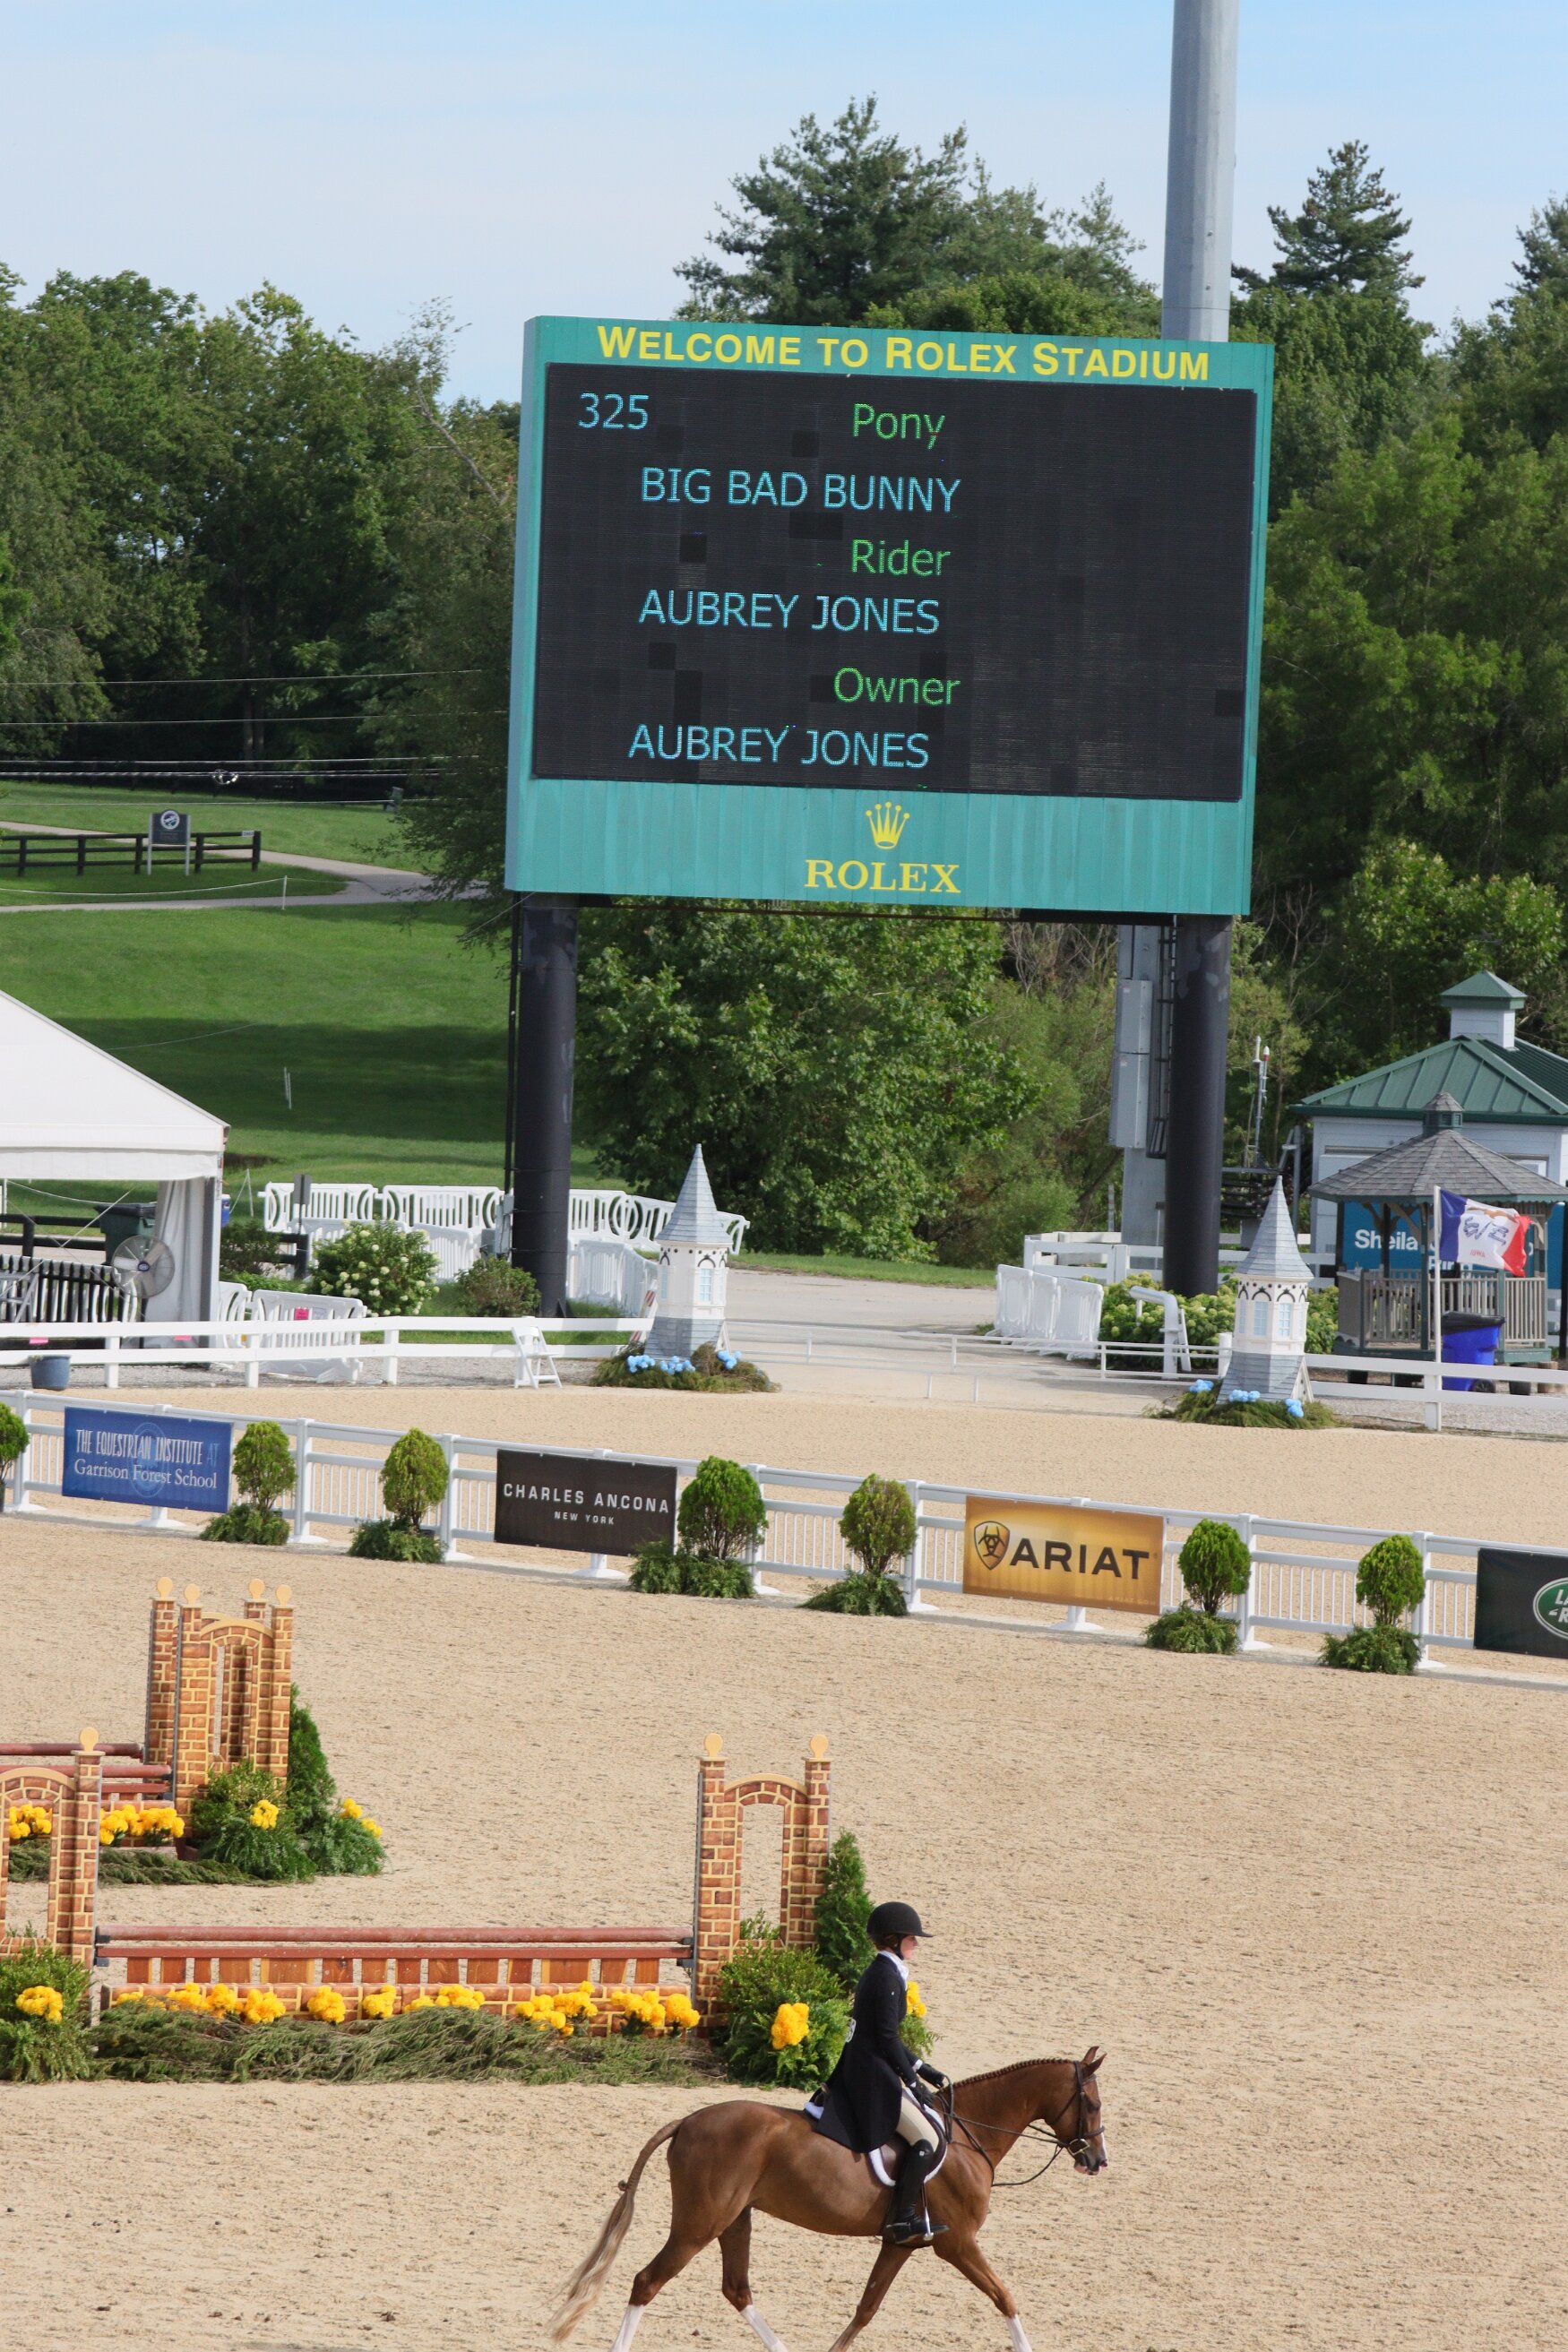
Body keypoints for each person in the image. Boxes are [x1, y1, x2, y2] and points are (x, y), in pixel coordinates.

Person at [809, 1900, 951, 2244]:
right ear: (893, 1939)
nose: (915, 1944)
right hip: (871, 2077)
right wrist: (913, 2083)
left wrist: (922, 2068)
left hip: (865, 2067)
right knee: (927, 2139)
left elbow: (884, 2036)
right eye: (911, 1938)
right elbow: (887, 2038)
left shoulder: (882, 1972)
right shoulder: (886, 1976)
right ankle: (903, 2219)